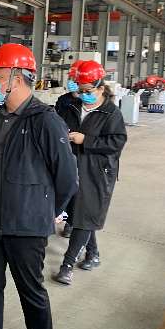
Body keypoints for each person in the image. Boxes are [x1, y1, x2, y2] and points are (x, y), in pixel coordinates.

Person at [0, 43, 78, 329]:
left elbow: (68, 177)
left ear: (17, 78)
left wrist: (46, 212)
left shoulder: (45, 121)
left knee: (30, 291)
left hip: (26, 227)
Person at [53, 60, 127, 285]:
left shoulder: (110, 113)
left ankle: (67, 266)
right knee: (79, 214)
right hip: (71, 167)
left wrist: (86, 140)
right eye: (80, 90)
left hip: (97, 172)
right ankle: (93, 254)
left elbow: (117, 142)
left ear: (101, 88)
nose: (83, 95)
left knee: (85, 217)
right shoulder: (71, 105)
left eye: (88, 91)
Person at [55, 59, 84, 239]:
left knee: (79, 191)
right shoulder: (63, 101)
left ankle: (73, 222)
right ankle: (64, 216)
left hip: (82, 153)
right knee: (63, 185)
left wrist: (83, 139)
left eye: (75, 78)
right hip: (65, 149)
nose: (72, 82)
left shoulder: (88, 103)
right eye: (71, 78)